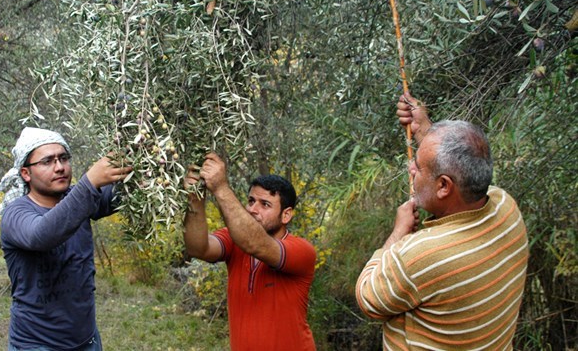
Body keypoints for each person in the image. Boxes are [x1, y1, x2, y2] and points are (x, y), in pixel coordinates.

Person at [355, 93, 529, 350]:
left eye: (419, 167)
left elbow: (368, 297)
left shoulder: (420, 255)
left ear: (444, 186)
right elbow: (461, 167)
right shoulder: (506, 207)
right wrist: (425, 131)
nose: (411, 170)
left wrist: (398, 233)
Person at [0, 127, 132, 351]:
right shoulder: (16, 214)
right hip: (35, 346)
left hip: (87, 341)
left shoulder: (78, 199)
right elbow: (41, 235)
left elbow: (124, 192)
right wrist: (90, 182)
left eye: (64, 158)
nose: (59, 167)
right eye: (47, 161)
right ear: (25, 173)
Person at [183, 152, 317, 351]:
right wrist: (195, 196)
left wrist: (220, 187)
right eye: (251, 201)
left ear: (286, 215)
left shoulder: (302, 251)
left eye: (265, 204)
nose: (253, 209)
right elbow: (197, 248)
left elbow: (256, 244)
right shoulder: (234, 241)